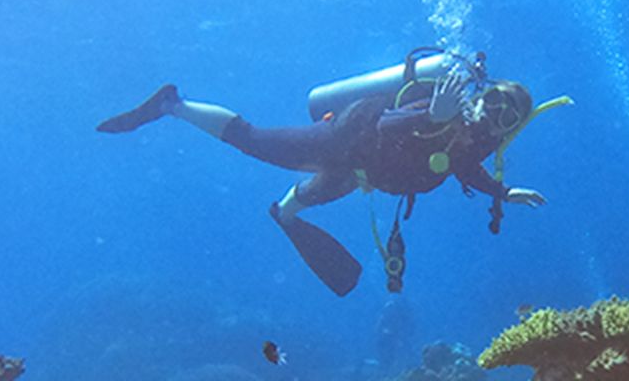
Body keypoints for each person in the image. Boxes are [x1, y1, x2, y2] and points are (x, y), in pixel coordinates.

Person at [96, 48, 561, 297]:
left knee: (307, 201)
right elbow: (384, 122)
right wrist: (433, 117)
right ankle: (171, 104)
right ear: (481, 95)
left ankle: (284, 211)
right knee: (253, 140)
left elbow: (466, 169)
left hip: (359, 173)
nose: (492, 116)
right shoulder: (444, 104)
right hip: (343, 142)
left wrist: (503, 191)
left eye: (506, 117)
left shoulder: (471, 141)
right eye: (494, 102)